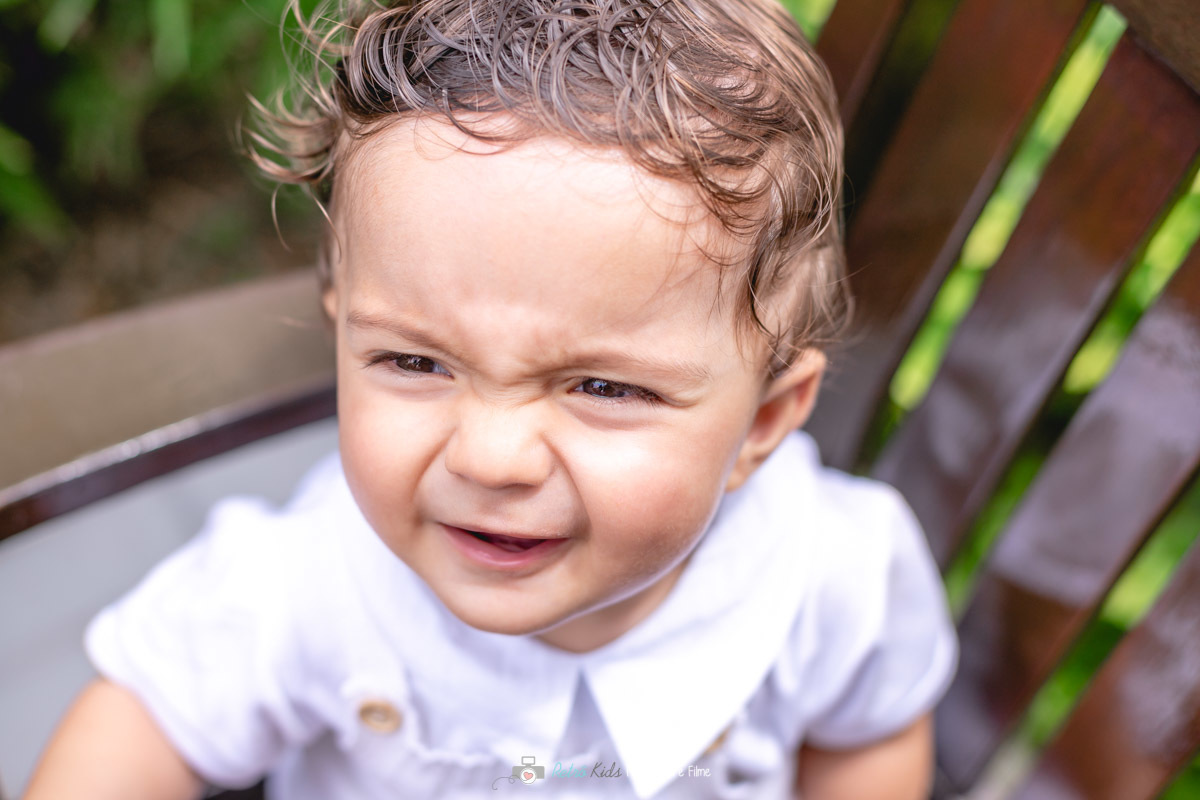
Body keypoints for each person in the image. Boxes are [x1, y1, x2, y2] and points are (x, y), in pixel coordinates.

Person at [24, 0, 957, 798]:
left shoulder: (831, 578)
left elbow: (867, 734)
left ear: (764, 421)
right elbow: (144, 718)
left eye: (603, 387)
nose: (490, 457)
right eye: (415, 362)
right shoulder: (312, 584)